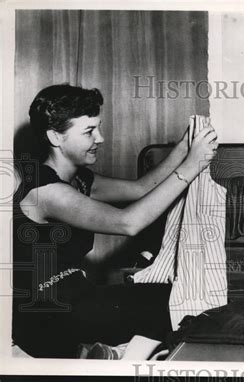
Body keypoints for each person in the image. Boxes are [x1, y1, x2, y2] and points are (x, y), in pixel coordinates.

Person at [12, 84, 218, 359]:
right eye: (89, 131)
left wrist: (183, 148)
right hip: (45, 315)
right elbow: (128, 223)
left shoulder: (80, 179)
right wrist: (192, 165)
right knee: (169, 307)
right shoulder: (45, 190)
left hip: (74, 298)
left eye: (98, 128)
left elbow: (141, 188)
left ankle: (111, 353)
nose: (101, 138)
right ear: (55, 137)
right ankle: (115, 355)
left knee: (174, 297)